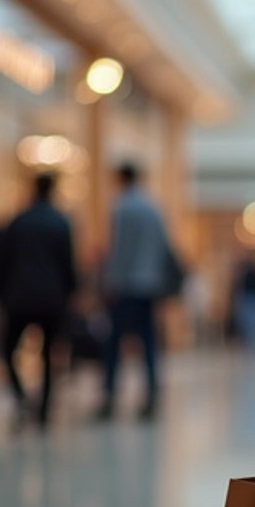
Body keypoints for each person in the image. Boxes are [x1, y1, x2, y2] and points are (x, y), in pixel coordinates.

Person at [0, 173, 76, 427]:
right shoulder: (60, 222)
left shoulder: (19, 221)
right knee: (49, 354)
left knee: (8, 350)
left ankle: (21, 398)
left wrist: (1, 292)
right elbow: (67, 265)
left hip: (19, 296)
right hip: (51, 298)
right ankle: (43, 408)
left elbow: (3, 261)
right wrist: (70, 293)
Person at [97, 163, 172, 421]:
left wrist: (110, 280)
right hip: (149, 285)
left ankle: (109, 397)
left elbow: (120, 250)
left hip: (127, 284)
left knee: (114, 341)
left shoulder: (122, 208)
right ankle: (151, 396)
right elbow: (163, 248)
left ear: (120, 178)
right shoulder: (153, 209)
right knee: (148, 342)